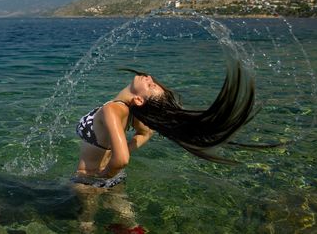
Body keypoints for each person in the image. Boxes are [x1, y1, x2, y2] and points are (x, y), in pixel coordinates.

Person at [73, 62, 257, 187]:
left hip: (90, 180)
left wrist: (101, 177)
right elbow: (145, 134)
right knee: (127, 224)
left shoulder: (113, 109)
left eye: (151, 86)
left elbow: (122, 160)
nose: (150, 78)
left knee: (86, 226)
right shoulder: (131, 113)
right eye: (153, 83)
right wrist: (112, 164)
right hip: (114, 179)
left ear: (138, 100)